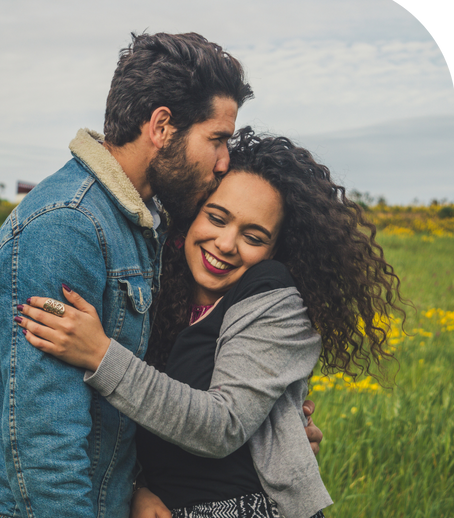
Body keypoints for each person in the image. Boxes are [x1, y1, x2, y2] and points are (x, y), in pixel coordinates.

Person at [16, 129, 405, 518]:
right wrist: (139, 486)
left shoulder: (275, 298)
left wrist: (100, 354)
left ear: (276, 250)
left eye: (253, 236)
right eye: (217, 218)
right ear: (191, 214)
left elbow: (222, 425)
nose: (225, 243)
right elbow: (131, 417)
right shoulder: (156, 288)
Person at [0, 32, 256, 518]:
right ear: (162, 126)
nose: (224, 162)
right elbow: (41, 447)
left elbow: (114, 405)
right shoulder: (68, 227)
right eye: (217, 139)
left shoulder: (141, 219)